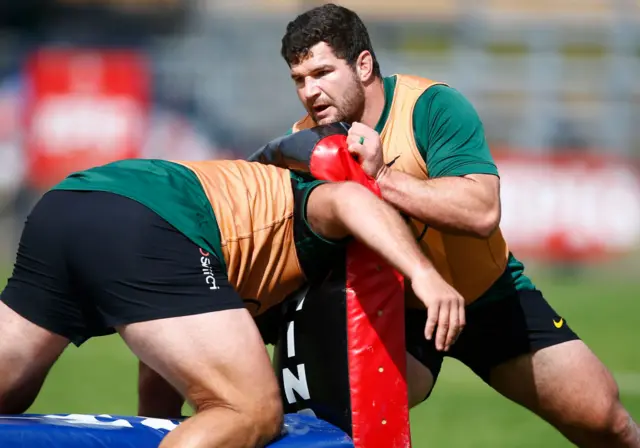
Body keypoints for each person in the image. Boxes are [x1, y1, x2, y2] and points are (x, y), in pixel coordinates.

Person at [275, 4, 640, 447]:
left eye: (322, 72)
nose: (310, 92)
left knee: (607, 420)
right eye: (299, 80)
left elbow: (482, 211)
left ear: (364, 65)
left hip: (489, 294)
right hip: (396, 311)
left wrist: (382, 177)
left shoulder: (430, 107)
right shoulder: (305, 144)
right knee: (335, 422)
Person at [0, 150, 464, 447]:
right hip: (149, 220)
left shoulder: (241, 202)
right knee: (252, 410)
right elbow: (348, 199)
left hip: (67, 203)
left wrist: (166, 428)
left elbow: (168, 343)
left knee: (6, 394)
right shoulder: (306, 199)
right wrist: (423, 273)